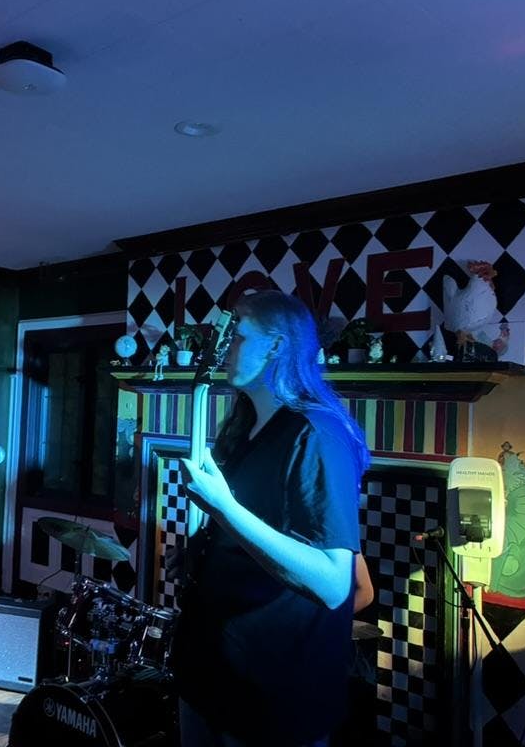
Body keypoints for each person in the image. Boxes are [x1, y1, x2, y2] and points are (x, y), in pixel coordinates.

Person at [172, 290, 371, 747]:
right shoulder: (243, 430)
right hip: (212, 674)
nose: (224, 348)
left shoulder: (316, 436)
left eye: (238, 336)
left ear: (277, 346)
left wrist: (224, 507)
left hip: (273, 697)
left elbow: (334, 584)